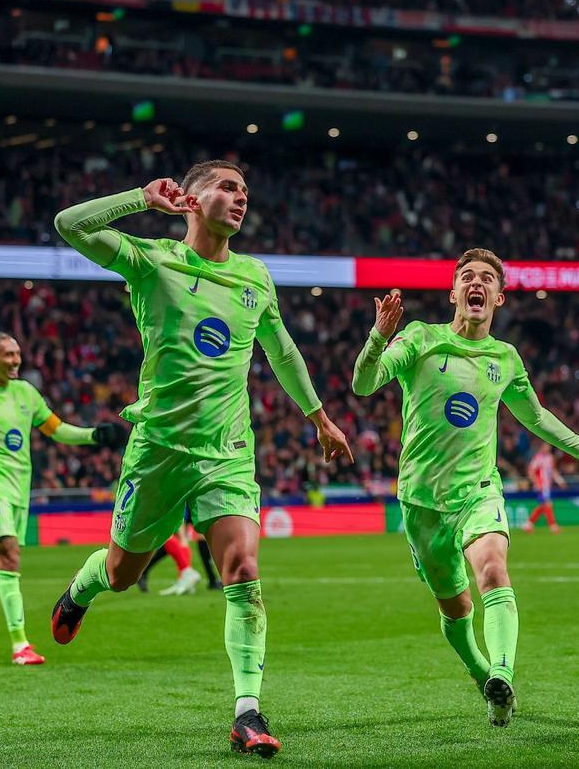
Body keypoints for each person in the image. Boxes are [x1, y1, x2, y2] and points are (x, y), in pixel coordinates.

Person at [50, 161, 353, 757]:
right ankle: (80, 590)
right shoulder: (152, 260)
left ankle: (247, 711)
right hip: (158, 450)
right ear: (192, 197)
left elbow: (282, 349)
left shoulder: (254, 276)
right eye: (229, 187)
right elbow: (70, 225)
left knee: (241, 569)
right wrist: (139, 199)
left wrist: (318, 416)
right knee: (120, 574)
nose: (242, 198)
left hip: (228, 452)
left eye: (247, 190)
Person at [351, 248, 579, 728]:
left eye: (487, 279)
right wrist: (378, 337)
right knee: (456, 608)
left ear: (499, 296)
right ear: (454, 293)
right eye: (468, 277)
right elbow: (363, 384)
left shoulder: (505, 358)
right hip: (421, 502)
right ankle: (481, 674)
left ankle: (503, 671)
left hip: (478, 491)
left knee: (493, 570)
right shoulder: (420, 339)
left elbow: (534, 416)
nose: (477, 284)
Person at [0, 332, 126, 665]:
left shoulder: (26, 393)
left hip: (20, 490)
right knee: (10, 556)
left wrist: (93, 435)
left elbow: (56, 429)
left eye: (18, 353)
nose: (17, 360)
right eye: (9, 354)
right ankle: (21, 645)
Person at [523, 444, 565, 533]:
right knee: (548, 504)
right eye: (545, 447)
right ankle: (553, 526)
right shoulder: (538, 458)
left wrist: (560, 481)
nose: (547, 449)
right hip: (541, 486)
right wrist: (536, 483)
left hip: (547, 485)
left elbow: (553, 471)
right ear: (541, 447)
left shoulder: (550, 458)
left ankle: (529, 524)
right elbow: (531, 471)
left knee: (543, 506)